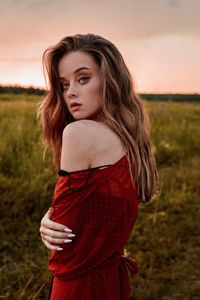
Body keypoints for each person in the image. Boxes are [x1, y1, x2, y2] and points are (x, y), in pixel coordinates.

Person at [37, 33, 158, 300]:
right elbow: (95, 211)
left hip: (79, 285)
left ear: (110, 80)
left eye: (83, 79)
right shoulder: (131, 141)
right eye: (64, 84)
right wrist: (52, 214)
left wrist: (50, 220)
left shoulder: (79, 132)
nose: (71, 92)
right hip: (112, 281)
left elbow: (64, 243)